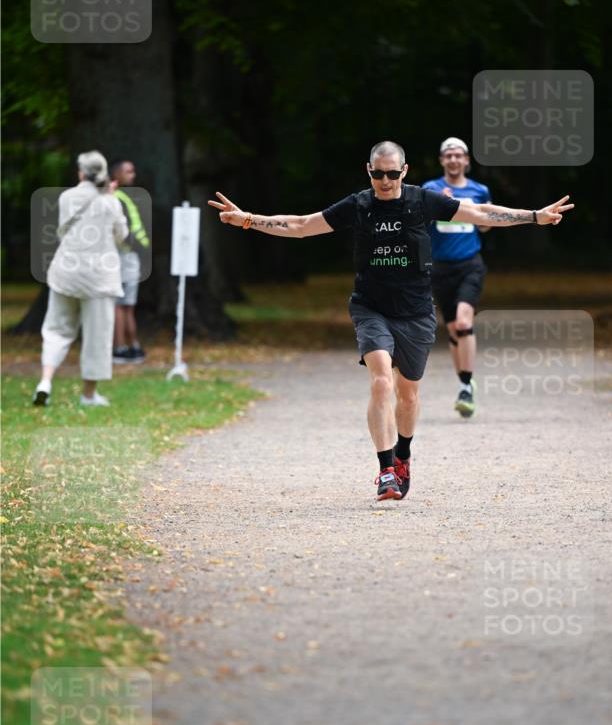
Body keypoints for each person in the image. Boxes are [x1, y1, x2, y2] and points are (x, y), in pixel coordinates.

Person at [208, 141, 573, 501]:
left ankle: (403, 455)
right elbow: (303, 225)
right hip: (371, 308)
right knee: (382, 381)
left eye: (392, 174)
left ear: (404, 171)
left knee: (408, 395)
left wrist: (534, 216)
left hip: (415, 312)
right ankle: (385, 471)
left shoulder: (422, 200)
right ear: (369, 171)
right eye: (378, 174)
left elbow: (479, 214)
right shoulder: (358, 205)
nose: (385, 181)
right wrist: (248, 220)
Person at [33, 151, 128, 407]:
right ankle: (88, 395)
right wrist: (110, 197)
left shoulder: (66, 197)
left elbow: (62, 231)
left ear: (80, 172)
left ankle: (45, 381)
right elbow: (121, 236)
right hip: (99, 278)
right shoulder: (110, 202)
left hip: (65, 272)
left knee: (56, 329)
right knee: (97, 337)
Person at [422, 137, 492, 419]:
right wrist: (440, 204)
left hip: (469, 265)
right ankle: (465, 382)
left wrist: (476, 214)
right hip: (439, 268)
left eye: (458, 155)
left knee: (464, 322)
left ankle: (465, 386)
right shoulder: (431, 188)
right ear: (442, 161)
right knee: (453, 331)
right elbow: (420, 222)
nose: (453, 159)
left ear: (466, 161)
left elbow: (486, 226)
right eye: (448, 155)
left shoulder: (479, 190)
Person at [109, 158, 151, 363]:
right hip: (128, 256)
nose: (133, 175)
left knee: (120, 305)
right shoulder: (121, 198)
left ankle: (122, 348)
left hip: (123, 256)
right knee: (125, 305)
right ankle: (131, 346)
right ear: (115, 174)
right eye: (128, 171)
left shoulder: (117, 198)